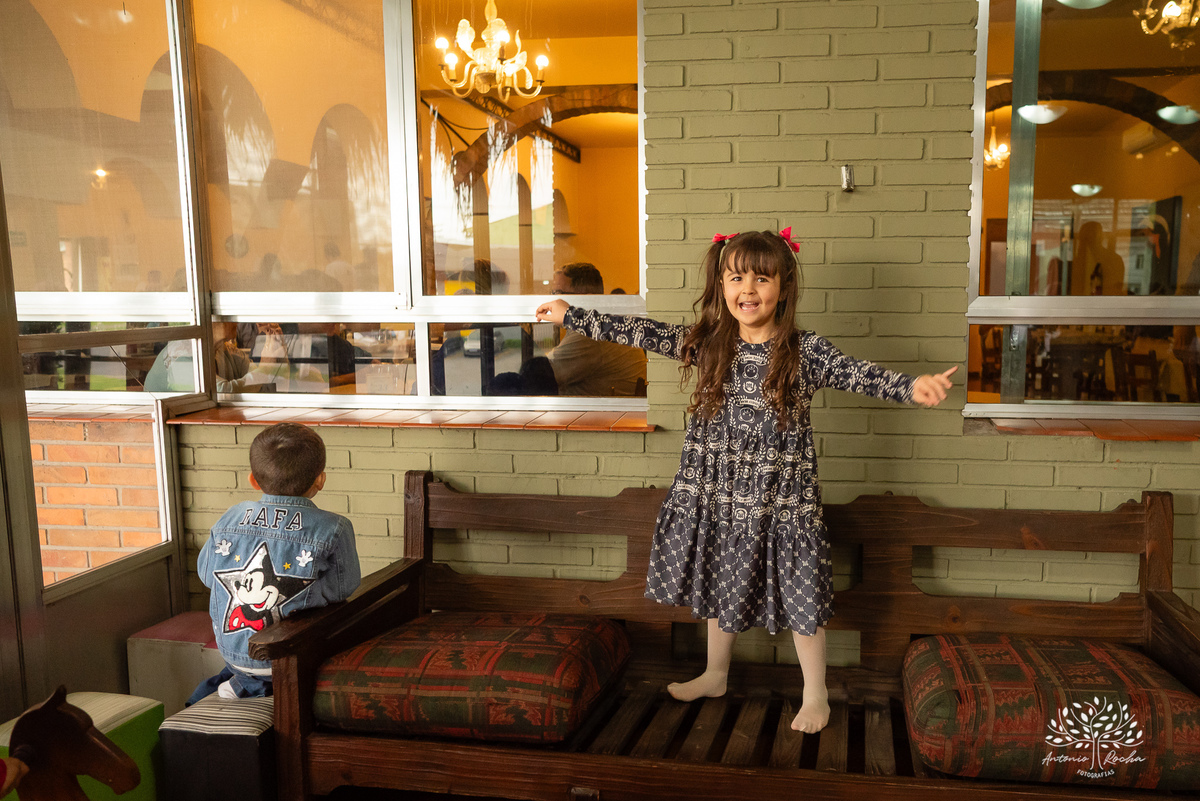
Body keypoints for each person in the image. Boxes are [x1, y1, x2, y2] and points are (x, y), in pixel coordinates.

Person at [535, 229, 956, 733]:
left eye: (762, 277)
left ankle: (816, 695)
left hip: (782, 499)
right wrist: (572, 314)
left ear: (783, 286)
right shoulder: (707, 344)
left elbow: (858, 373)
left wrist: (913, 387)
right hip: (718, 493)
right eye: (737, 277)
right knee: (719, 577)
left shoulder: (803, 350)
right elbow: (641, 330)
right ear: (722, 284)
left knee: (803, 592)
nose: (748, 289)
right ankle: (715, 674)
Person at [191, 423, 360, 701]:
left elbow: (207, 575)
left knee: (250, 667)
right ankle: (264, 686)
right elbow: (343, 588)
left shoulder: (230, 518)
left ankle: (244, 682)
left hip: (235, 655)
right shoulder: (334, 527)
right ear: (320, 480)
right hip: (292, 655)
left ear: (253, 481)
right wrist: (303, 593)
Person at [547, 262, 647, 396]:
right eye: (552, 293)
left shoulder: (590, 333)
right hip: (608, 413)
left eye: (558, 293)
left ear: (585, 297)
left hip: (601, 415)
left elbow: (543, 374)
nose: (553, 300)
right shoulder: (604, 322)